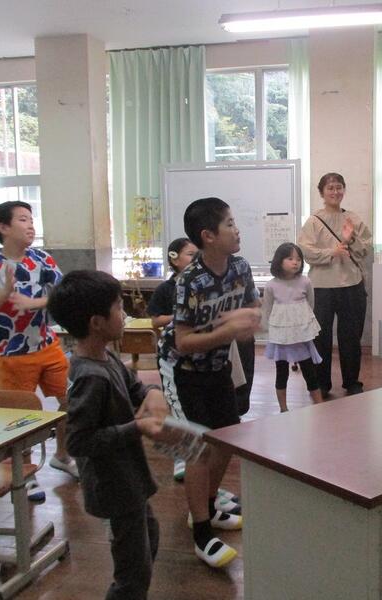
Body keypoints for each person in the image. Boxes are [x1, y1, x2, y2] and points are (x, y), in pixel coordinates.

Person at [47, 270, 169, 600]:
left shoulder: (107, 356)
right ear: (97, 323)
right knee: (132, 573)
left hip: (129, 475)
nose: (124, 314)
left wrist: (152, 392)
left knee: (149, 538)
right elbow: (79, 441)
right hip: (113, 482)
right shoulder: (90, 376)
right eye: (118, 307)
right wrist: (137, 427)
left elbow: (134, 387)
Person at [160, 197, 262, 568]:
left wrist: (248, 320)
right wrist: (229, 330)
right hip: (181, 369)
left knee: (227, 439)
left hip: (218, 365)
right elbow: (184, 342)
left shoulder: (240, 267)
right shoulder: (189, 280)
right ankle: (201, 533)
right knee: (197, 449)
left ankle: (206, 506)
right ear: (208, 236)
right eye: (229, 224)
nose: (237, 230)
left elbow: (253, 311)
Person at [0, 200, 78, 502]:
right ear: (3, 228)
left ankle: (62, 455)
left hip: (47, 345)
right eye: (22, 219)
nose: (31, 225)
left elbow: (65, 292)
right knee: (19, 416)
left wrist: (36, 302)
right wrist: (4, 293)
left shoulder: (40, 258)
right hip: (12, 354)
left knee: (70, 401)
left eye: (31, 219)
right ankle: (25, 473)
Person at [297, 173, 373, 398]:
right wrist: (332, 252)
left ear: (344, 190)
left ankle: (352, 381)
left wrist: (351, 239)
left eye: (339, 187)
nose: (335, 192)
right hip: (321, 287)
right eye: (330, 188)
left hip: (352, 284)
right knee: (320, 337)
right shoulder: (313, 221)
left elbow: (366, 249)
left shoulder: (353, 218)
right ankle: (322, 383)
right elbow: (305, 252)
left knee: (351, 336)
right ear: (322, 192)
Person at [147, 237, 197, 482]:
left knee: (193, 406)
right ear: (174, 259)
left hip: (195, 355)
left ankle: (195, 453)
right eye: (190, 254)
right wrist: (178, 315)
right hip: (172, 356)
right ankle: (181, 457)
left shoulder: (198, 283)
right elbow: (155, 320)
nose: (195, 259)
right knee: (176, 407)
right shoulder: (165, 289)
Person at [263, 242, 323, 412]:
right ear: (279, 260)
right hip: (281, 337)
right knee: (281, 373)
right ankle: (283, 409)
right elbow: (267, 309)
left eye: (298, 259)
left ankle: (320, 407)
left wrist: (301, 321)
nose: (295, 262)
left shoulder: (305, 282)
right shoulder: (271, 285)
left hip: (302, 335)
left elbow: (310, 304)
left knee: (309, 371)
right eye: (290, 258)